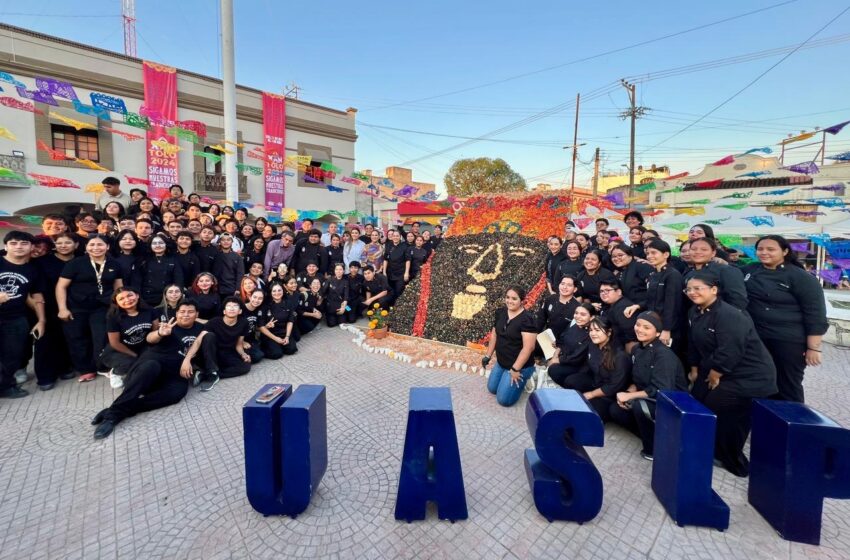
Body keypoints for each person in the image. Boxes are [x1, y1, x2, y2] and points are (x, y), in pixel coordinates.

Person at [685, 272, 777, 477]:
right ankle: (709, 447)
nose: (692, 292)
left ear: (714, 290)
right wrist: (694, 369)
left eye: (698, 288)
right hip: (716, 368)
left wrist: (716, 374)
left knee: (720, 406)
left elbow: (731, 350)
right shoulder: (695, 312)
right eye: (689, 289)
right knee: (697, 400)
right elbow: (693, 343)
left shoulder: (729, 314)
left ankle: (733, 460)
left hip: (748, 374)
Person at [90, 300, 203, 439]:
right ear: (176, 313)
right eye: (182, 312)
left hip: (173, 373)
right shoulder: (168, 327)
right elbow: (151, 338)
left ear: (197, 314)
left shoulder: (201, 329)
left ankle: (115, 409)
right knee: (151, 366)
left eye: (190, 312)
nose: (186, 315)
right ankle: (112, 417)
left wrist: (188, 360)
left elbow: (205, 335)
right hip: (148, 371)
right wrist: (160, 333)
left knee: (178, 393)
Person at [743, 234, 828, 403]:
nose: (764, 253)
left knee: (787, 384)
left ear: (785, 251)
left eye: (770, 249)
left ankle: (793, 424)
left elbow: (815, 314)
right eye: (760, 249)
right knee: (759, 381)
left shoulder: (801, 277)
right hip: (757, 338)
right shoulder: (750, 270)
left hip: (787, 340)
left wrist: (814, 348)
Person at [609, 311, 688, 460]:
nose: (640, 329)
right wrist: (628, 392)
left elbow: (661, 389)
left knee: (640, 406)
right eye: (638, 325)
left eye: (647, 327)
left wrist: (630, 396)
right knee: (615, 409)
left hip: (671, 402)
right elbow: (636, 379)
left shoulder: (664, 355)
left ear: (658, 333)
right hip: (649, 395)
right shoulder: (637, 349)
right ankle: (651, 434)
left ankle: (655, 448)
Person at [56, 235, 122, 382]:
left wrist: (119, 305)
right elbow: (61, 286)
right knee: (77, 338)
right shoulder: (76, 263)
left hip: (102, 306)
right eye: (92, 245)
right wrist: (62, 308)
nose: (96, 248)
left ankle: (102, 366)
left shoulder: (114, 264)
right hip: (77, 306)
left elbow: (118, 286)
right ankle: (85, 369)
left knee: (101, 337)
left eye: (100, 245)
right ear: (86, 247)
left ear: (107, 247)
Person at [0, 231, 46, 398]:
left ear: (31, 247)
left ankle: (6, 386)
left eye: (23, 243)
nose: (19, 247)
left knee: (12, 355)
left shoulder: (32, 269)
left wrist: (41, 320)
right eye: (13, 243)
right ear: (6, 246)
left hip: (16, 317)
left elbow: (37, 295)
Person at [33, 232, 76, 390]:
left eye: (68, 242)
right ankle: (45, 377)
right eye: (60, 243)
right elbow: (36, 289)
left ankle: (64, 368)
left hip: (73, 305)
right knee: (45, 340)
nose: (63, 246)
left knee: (65, 338)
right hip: (48, 305)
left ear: (76, 245)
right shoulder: (43, 262)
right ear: (54, 245)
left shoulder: (79, 260)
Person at [482, 286, 537, 406]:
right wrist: (487, 356)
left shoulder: (527, 319)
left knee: (503, 400)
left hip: (519, 366)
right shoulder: (500, 312)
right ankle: (505, 377)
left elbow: (529, 348)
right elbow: (494, 335)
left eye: (514, 298)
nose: (509, 301)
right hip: (502, 362)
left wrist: (515, 369)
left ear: (522, 301)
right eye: (507, 297)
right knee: (492, 389)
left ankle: (527, 376)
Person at [101, 287, 158, 389]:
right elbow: (115, 343)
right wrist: (135, 356)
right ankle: (115, 372)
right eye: (121, 299)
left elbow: (155, 332)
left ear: (137, 295)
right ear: (116, 303)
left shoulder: (149, 310)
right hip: (118, 351)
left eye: (129, 295)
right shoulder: (113, 317)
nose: (127, 300)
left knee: (150, 362)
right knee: (132, 363)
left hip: (142, 346)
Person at [576, 316, 631, 421]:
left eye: (597, 330)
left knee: (589, 415)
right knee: (573, 382)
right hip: (597, 384)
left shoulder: (619, 356)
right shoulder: (593, 345)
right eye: (591, 330)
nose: (592, 333)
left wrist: (592, 394)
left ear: (609, 332)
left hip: (611, 395)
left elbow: (614, 386)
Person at [196, 296, 252, 390]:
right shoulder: (214, 322)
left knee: (245, 367)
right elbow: (199, 340)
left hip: (227, 353)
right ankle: (211, 370)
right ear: (224, 311)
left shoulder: (244, 323)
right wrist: (188, 358)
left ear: (240, 311)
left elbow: (239, 344)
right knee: (209, 336)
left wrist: (243, 354)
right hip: (212, 353)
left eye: (235, 306)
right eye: (229, 306)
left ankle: (209, 374)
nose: (232, 308)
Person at [684, 237, 748, 311]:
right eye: (694, 249)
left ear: (713, 253)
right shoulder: (689, 273)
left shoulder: (726, 270)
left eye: (704, 249)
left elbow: (738, 301)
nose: (698, 252)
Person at [644, 238, 684, 350]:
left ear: (666, 254)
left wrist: (667, 329)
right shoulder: (653, 274)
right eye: (647, 253)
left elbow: (672, 304)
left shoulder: (672, 274)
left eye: (653, 253)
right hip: (653, 323)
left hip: (669, 327)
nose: (649, 256)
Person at [547, 302, 595, 389]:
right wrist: (555, 356)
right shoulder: (574, 325)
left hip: (579, 365)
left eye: (583, 314)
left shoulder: (592, 333)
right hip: (564, 357)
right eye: (576, 313)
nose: (578, 316)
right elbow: (562, 340)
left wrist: (557, 360)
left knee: (555, 371)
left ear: (591, 317)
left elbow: (577, 357)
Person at [133, 233, 184, 306]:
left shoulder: (173, 260)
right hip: (146, 297)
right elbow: (136, 281)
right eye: (154, 243)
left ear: (166, 244)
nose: (158, 245)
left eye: (161, 243)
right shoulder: (143, 260)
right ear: (150, 245)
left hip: (167, 298)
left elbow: (178, 279)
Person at [259, 281, 298, 358]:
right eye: (274, 291)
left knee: (291, 350)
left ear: (283, 291)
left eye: (279, 290)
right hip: (270, 334)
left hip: (283, 332)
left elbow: (290, 321)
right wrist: (276, 339)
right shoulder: (265, 305)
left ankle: (278, 346)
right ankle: (263, 347)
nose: (277, 293)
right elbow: (261, 327)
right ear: (271, 292)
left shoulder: (288, 303)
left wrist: (287, 336)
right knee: (277, 354)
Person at [598, 278, 639, 352]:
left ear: (619, 292)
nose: (603, 293)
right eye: (601, 291)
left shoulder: (623, 307)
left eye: (607, 290)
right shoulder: (612, 305)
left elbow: (632, 338)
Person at [536, 275, 579, 341]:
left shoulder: (577, 308)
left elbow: (573, 332)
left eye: (569, 285)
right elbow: (540, 320)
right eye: (562, 284)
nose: (564, 287)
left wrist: (560, 345)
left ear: (575, 289)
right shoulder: (550, 299)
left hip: (563, 344)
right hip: (544, 339)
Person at [611, 245, 652, 309]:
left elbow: (654, 292)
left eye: (620, 255)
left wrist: (640, 305)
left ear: (630, 255)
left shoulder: (641, 266)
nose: (616, 258)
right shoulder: (619, 272)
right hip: (629, 308)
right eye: (613, 256)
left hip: (645, 309)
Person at [241, 289, 266, 363]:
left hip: (250, 339)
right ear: (249, 297)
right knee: (256, 356)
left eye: (260, 298)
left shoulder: (259, 310)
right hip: (239, 339)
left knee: (261, 354)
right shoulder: (241, 309)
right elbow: (232, 328)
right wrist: (242, 342)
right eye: (254, 297)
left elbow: (257, 326)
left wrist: (266, 327)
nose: (257, 300)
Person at [383, 230, 408, 304]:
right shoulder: (388, 245)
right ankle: (390, 308)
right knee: (390, 292)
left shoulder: (404, 246)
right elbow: (385, 259)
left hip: (400, 273)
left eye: (397, 236)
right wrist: (384, 271)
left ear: (400, 237)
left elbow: (407, 260)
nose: (395, 237)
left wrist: (406, 273)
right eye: (394, 236)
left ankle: (398, 309)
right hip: (390, 273)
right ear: (392, 237)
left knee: (399, 291)